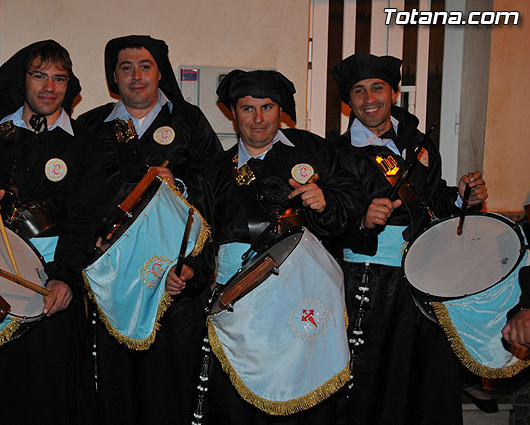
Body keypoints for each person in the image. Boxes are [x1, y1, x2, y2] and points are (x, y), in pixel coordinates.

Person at [0, 40, 105, 424]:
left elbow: (86, 218)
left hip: (51, 281)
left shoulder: (86, 145)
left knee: (47, 389)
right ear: (22, 80)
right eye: (39, 75)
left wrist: (65, 279)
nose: (49, 86)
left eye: (59, 78)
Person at [186, 69, 365, 425]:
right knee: (240, 400)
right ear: (232, 113)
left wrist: (326, 201)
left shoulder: (314, 150)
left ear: (280, 110)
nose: (258, 118)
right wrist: (190, 274)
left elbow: (353, 202)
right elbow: (200, 239)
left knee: (305, 393)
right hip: (240, 299)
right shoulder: (214, 170)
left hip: (303, 293)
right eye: (247, 108)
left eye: (267, 107)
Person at [330, 52, 488, 425]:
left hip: (425, 276)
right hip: (369, 278)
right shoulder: (338, 152)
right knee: (368, 379)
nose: (369, 99)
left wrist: (460, 198)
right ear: (348, 101)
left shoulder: (419, 146)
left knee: (424, 379)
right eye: (358, 91)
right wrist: (363, 222)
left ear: (393, 93)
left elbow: (435, 205)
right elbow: (329, 221)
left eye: (378, 88)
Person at [76, 35, 222, 425]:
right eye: (126, 67)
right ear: (113, 77)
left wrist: (182, 186)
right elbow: (76, 198)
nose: (136, 76)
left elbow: (217, 189)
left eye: (145, 66)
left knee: (171, 385)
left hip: (171, 273)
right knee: (114, 383)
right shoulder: (90, 126)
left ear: (160, 73)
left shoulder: (189, 121)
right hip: (114, 276)